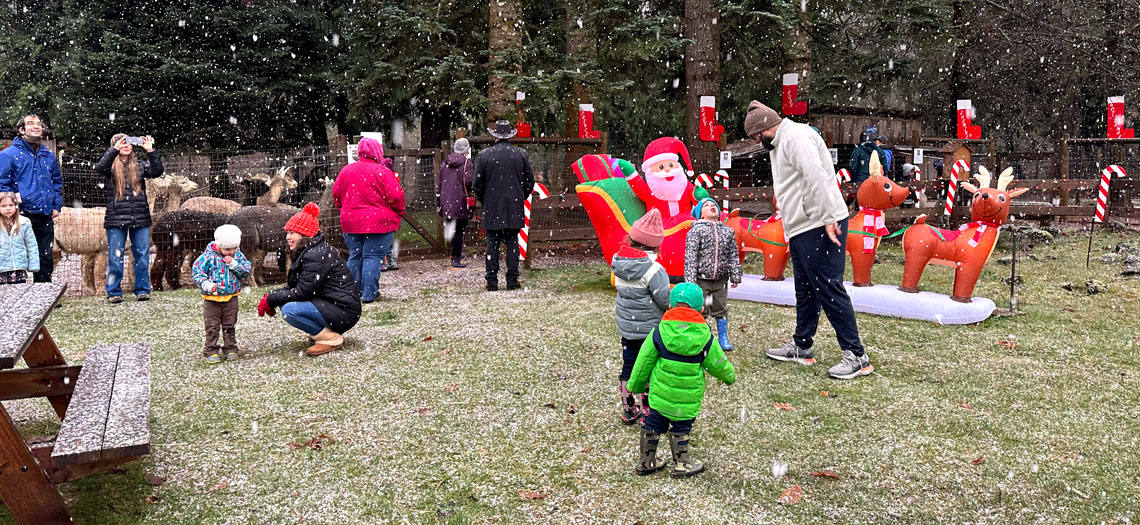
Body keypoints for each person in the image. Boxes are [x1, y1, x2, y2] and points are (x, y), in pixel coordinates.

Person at [745, 100, 875, 380]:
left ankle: (857, 356)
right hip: (803, 226)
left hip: (820, 223)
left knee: (829, 288)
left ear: (766, 128)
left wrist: (829, 217)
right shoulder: (779, 141)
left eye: (756, 136)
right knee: (805, 290)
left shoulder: (796, 137)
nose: (756, 142)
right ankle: (802, 346)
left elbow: (816, 176)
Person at [628, 282, 735, 478]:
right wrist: (729, 377)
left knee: (653, 423)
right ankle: (681, 463)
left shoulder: (659, 332)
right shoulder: (705, 338)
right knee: (681, 427)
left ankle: (646, 460)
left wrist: (635, 385)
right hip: (687, 400)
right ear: (701, 309)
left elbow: (643, 361)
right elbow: (718, 363)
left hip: (660, 396)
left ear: (670, 306)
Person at [258, 203, 362, 357]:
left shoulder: (314, 255)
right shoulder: (309, 251)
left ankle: (330, 338)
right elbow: (294, 287)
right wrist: (270, 297)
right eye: (287, 233)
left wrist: (273, 299)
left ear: (305, 235)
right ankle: (322, 330)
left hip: (344, 311)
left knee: (289, 310)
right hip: (335, 305)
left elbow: (302, 292)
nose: (287, 237)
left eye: (292, 233)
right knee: (285, 303)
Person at [611, 209, 670, 425]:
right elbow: (664, 300)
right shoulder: (654, 269)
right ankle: (647, 413)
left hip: (627, 328)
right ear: (656, 244)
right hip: (649, 331)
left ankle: (628, 408)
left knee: (629, 366)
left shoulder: (618, 262)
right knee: (648, 369)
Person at [332, 137, 405, 303]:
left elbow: (336, 194)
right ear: (377, 152)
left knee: (355, 255)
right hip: (378, 222)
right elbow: (396, 196)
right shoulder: (382, 172)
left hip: (350, 221)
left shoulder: (346, 171)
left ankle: (352, 294)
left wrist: (345, 209)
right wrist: (398, 211)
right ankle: (369, 294)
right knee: (372, 257)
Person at [95, 133, 164, 303]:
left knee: (142, 254)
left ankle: (142, 290)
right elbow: (99, 168)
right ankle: (114, 292)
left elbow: (157, 171)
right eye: (121, 143)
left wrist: (150, 150)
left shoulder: (139, 165)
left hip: (140, 217)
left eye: (129, 142)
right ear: (114, 145)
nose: (126, 145)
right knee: (115, 256)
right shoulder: (110, 166)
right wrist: (113, 150)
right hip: (116, 218)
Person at [473, 120, 534, 291]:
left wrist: (485, 200)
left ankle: (492, 281)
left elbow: (477, 184)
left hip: (492, 205)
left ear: (494, 136)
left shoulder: (484, 155)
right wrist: (520, 196)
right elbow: (529, 182)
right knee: (512, 242)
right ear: (510, 136)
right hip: (513, 205)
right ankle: (512, 280)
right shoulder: (520, 154)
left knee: (492, 242)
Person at [0, 115, 61, 283]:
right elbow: (2, 183)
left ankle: (43, 292)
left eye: (39, 124)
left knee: (45, 255)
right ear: (21, 130)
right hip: (20, 214)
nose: (36, 126)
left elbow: (57, 182)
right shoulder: (9, 155)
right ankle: (15, 292)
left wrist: (56, 205)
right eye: (31, 123)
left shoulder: (48, 155)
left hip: (44, 212)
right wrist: (9, 205)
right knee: (16, 253)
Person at [684, 197, 743, 351]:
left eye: (714, 205)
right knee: (702, 308)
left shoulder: (727, 231)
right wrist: (690, 280)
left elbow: (733, 254)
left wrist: (735, 275)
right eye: (707, 205)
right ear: (700, 214)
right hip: (701, 280)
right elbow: (691, 256)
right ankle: (701, 335)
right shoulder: (696, 230)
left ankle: (723, 336)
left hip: (720, 281)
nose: (712, 206)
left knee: (720, 308)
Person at [192, 225, 252, 364]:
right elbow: (197, 272)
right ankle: (211, 349)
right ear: (219, 246)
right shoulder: (208, 257)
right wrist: (206, 284)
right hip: (211, 299)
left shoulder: (237, 256)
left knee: (229, 324)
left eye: (234, 248)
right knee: (212, 326)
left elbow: (245, 270)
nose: (231, 252)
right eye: (227, 249)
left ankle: (230, 347)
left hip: (231, 297)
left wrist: (234, 265)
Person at [437, 138, 475, 268]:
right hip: (461, 201)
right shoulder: (467, 164)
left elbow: (439, 183)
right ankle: (456, 258)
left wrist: (439, 202)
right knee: (459, 230)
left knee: (453, 229)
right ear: (466, 150)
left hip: (446, 200)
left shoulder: (444, 163)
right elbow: (469, 182)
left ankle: (455, 252)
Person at [0, 192, 38, 284]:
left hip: (18, 268)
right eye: (4, 206)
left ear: (16, 206)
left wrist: (34, 264)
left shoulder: (24, 223)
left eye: (11, 205)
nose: (8, 208)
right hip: (1, 268)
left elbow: (31, 245)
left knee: (19, 294)